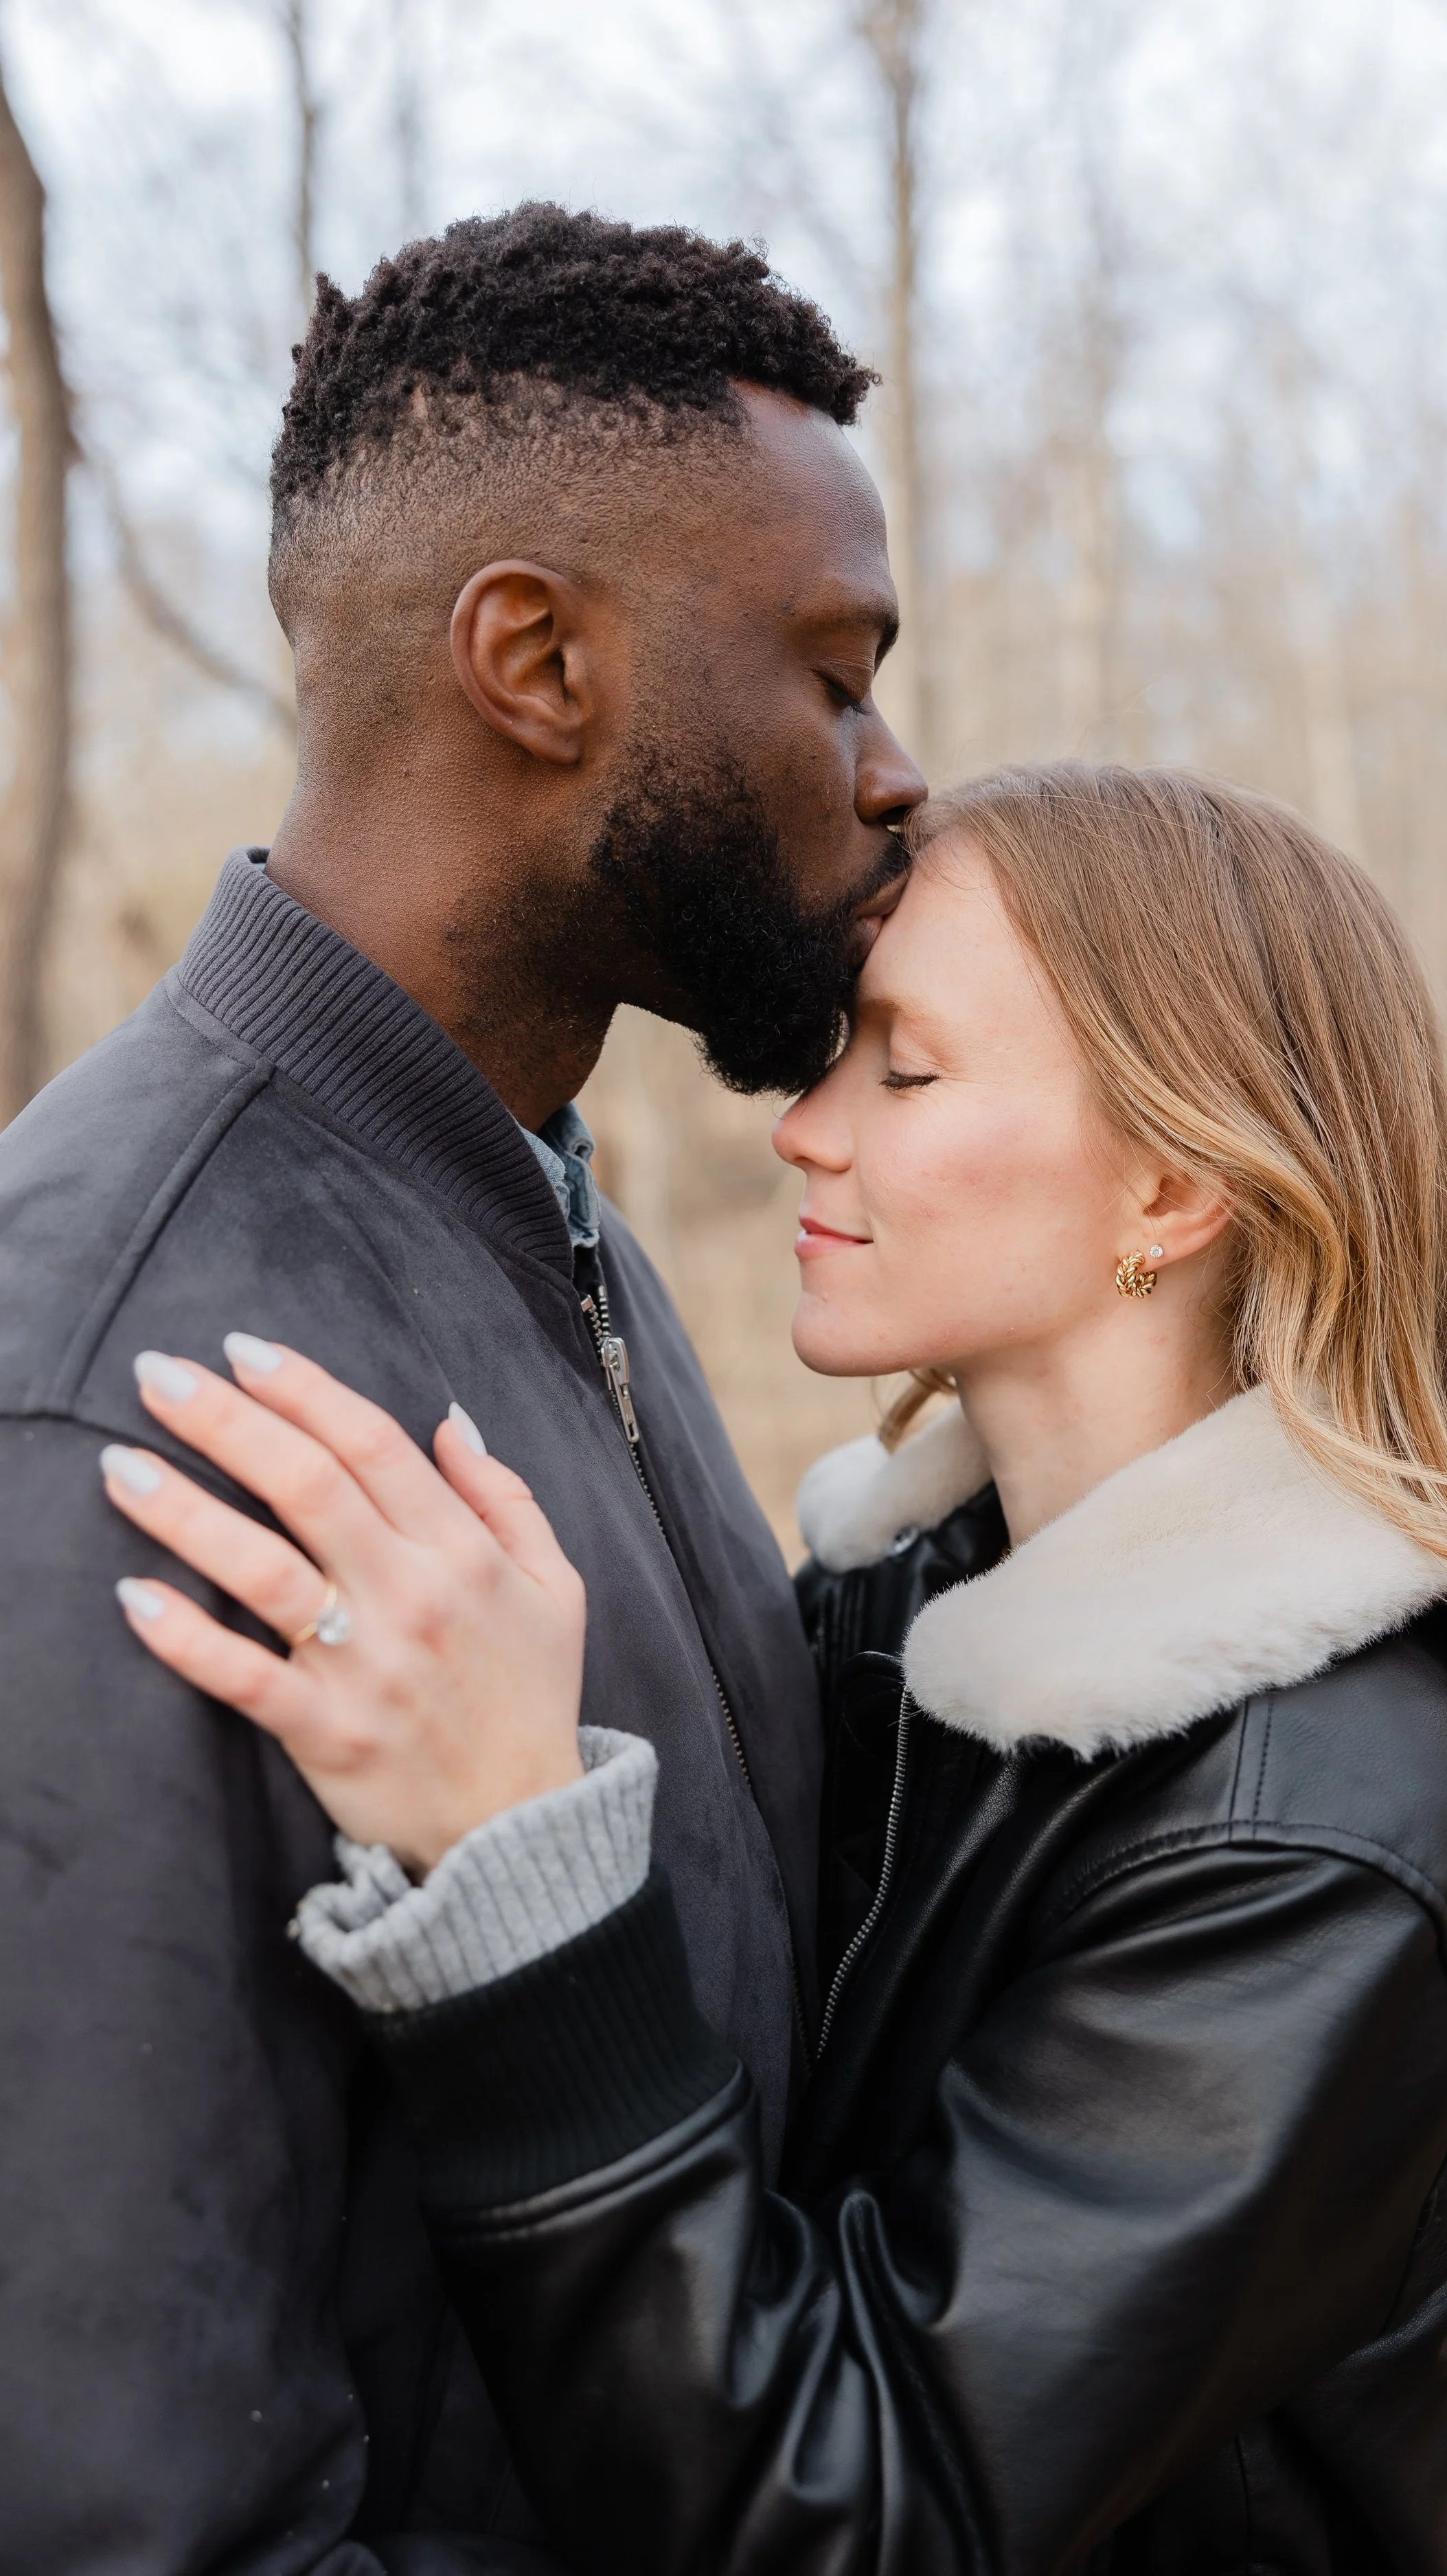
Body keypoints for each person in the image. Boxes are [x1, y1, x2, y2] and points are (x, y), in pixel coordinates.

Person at [104, 763, 1447, 2573]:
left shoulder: (1303, 1844)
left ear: (1173, 1184)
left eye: (905, 1064)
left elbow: (846, 2514)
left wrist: (515, 1887)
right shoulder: (914, 1608)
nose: (800, 1125)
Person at [0, 205, 923, 2571]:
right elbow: (130, 2504)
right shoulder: (113, 1385)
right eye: (831, 670)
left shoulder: (545, 1202)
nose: (889, 763)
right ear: (535, 659)